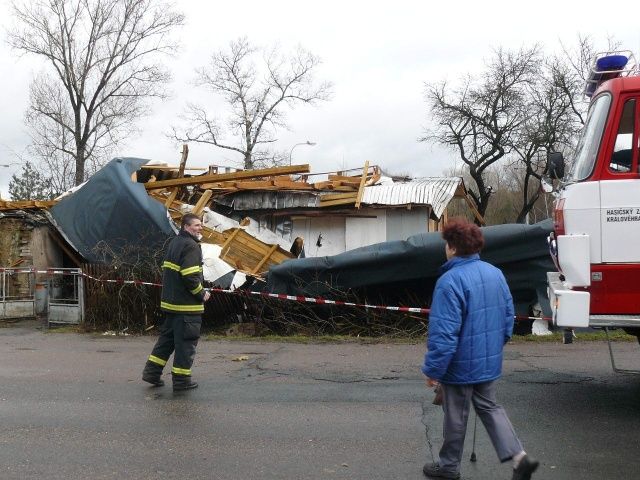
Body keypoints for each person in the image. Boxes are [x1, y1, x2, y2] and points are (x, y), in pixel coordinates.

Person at [421, 219, 538, 480]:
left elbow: (444, 333)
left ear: (451, 247)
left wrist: (433, 369)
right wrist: (494, 347)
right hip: (488, 361)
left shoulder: (449, 281)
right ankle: (519, 458)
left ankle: (449, 466)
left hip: (459, 365)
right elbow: (509, 318)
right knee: (490, 407)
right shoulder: (495, 273)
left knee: (455, 415)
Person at [142, 213, 211, 391]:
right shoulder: (191, 246)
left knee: (166, 341)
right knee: (186, 344)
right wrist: (201, 293)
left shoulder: (175, 242)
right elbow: (190, 276)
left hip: (171, 305)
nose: (200, 228)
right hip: (186, 307)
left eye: (200, 225)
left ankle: (151, 373)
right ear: (186, 227)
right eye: (196, 225)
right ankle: (181, 381)